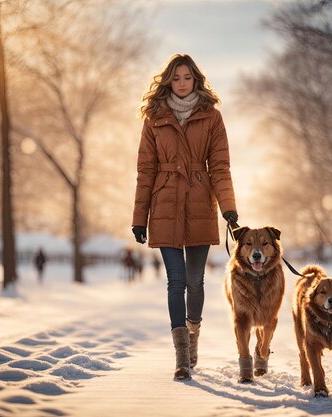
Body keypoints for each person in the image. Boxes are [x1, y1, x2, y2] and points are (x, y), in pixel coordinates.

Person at [131, 54, 238, 381]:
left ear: (196, 80)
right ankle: (181, 358)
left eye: (187, 78)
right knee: (175, 281)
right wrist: (139, 217)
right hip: (164, 203)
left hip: (199, 202)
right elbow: (145, 170)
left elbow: (220, 167)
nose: (181, 83)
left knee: (195, 281)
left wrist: (229, 210)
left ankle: (193, 341)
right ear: (167, 80)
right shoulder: (154, 118)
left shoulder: (212, 117)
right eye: (175, 78)